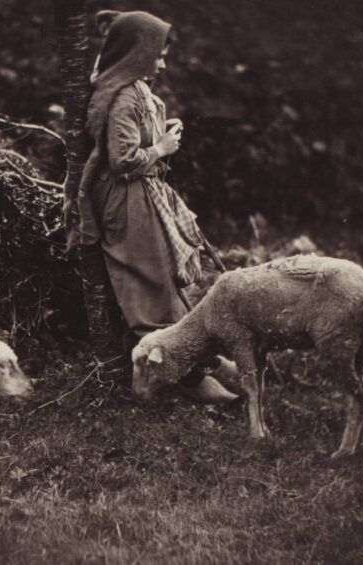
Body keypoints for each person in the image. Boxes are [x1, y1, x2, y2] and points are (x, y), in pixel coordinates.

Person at [77, 10, 237, 403]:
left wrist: (162, 137)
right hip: (125, 199)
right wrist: (160, 148)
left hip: (141, 194)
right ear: (135, 54)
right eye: (158, 55)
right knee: (150, 288)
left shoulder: (138, 91)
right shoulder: (120, 95)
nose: (163, 63)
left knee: (166, 278)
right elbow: (122, 160)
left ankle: (201, 360)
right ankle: (188, 379)